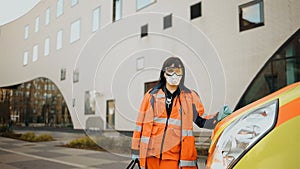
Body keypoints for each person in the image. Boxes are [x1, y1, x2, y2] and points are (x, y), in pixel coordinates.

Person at [131, 57, 230, 169]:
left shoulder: (189, 96)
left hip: (174, 158)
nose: (174, 75)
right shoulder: (151, 96)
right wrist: (135, 150)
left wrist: (219, 117)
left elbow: (201, 120)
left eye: (178, 71)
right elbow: (140, 125)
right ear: (164, 73)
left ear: (182, 74)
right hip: (151, 156)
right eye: (170, 71)